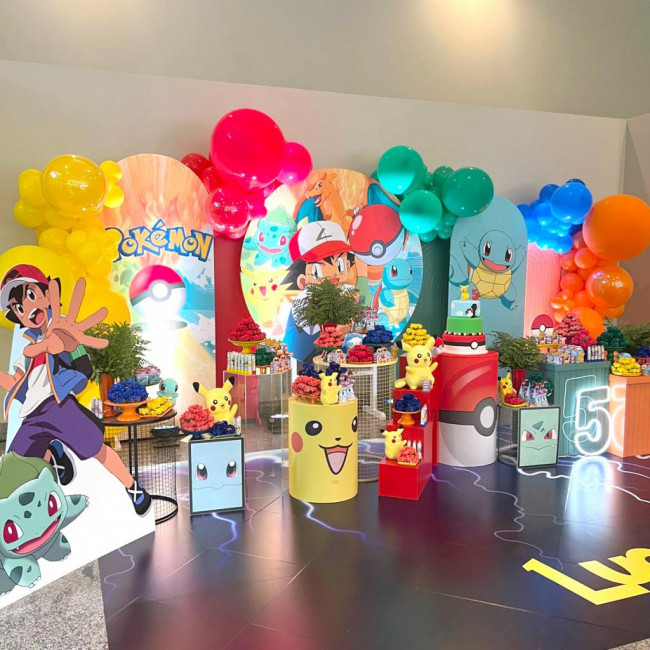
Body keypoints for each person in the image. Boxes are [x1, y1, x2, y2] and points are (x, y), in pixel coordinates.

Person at [0, 265, 151, 515]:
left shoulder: (63, 328)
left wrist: (63, 346)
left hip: (59, 406)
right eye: (18, 307)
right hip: (32, 415)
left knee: (96, 449)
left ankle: (133, 488)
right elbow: (16, 383)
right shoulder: (28, 345)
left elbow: (82, 366)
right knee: (20, 464)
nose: (28, 309)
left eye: (31, 295)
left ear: (47, 294)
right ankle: (54, 456)